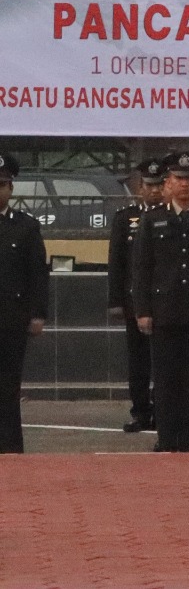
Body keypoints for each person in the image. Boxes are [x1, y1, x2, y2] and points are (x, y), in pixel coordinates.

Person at [132, 151, 189, 453]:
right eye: (178, 179)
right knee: (165, 380)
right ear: (168, 183)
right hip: (164, 311)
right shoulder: (153, 219)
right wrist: (143, 310)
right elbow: (142, 268)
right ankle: (167, 437)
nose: (184, 184)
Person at [106, 157, 165, 433]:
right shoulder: (125, 218)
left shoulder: (172, 217)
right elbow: (116, 263)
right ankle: (141, 411)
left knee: (164, 360)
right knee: (139, 360)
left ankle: (165, 410)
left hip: (166, 301)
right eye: (149, 185)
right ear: (140, 187)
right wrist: (115, 301)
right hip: (134, 302)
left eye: (159, 185)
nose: (154, 191)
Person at [0, 153, 47, 454]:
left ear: (11, 189)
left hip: (11, 318)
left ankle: (9, 445)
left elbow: (37, 274)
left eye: (2, 184)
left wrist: (38, 314)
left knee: (8, 385)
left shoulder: (26, 227)